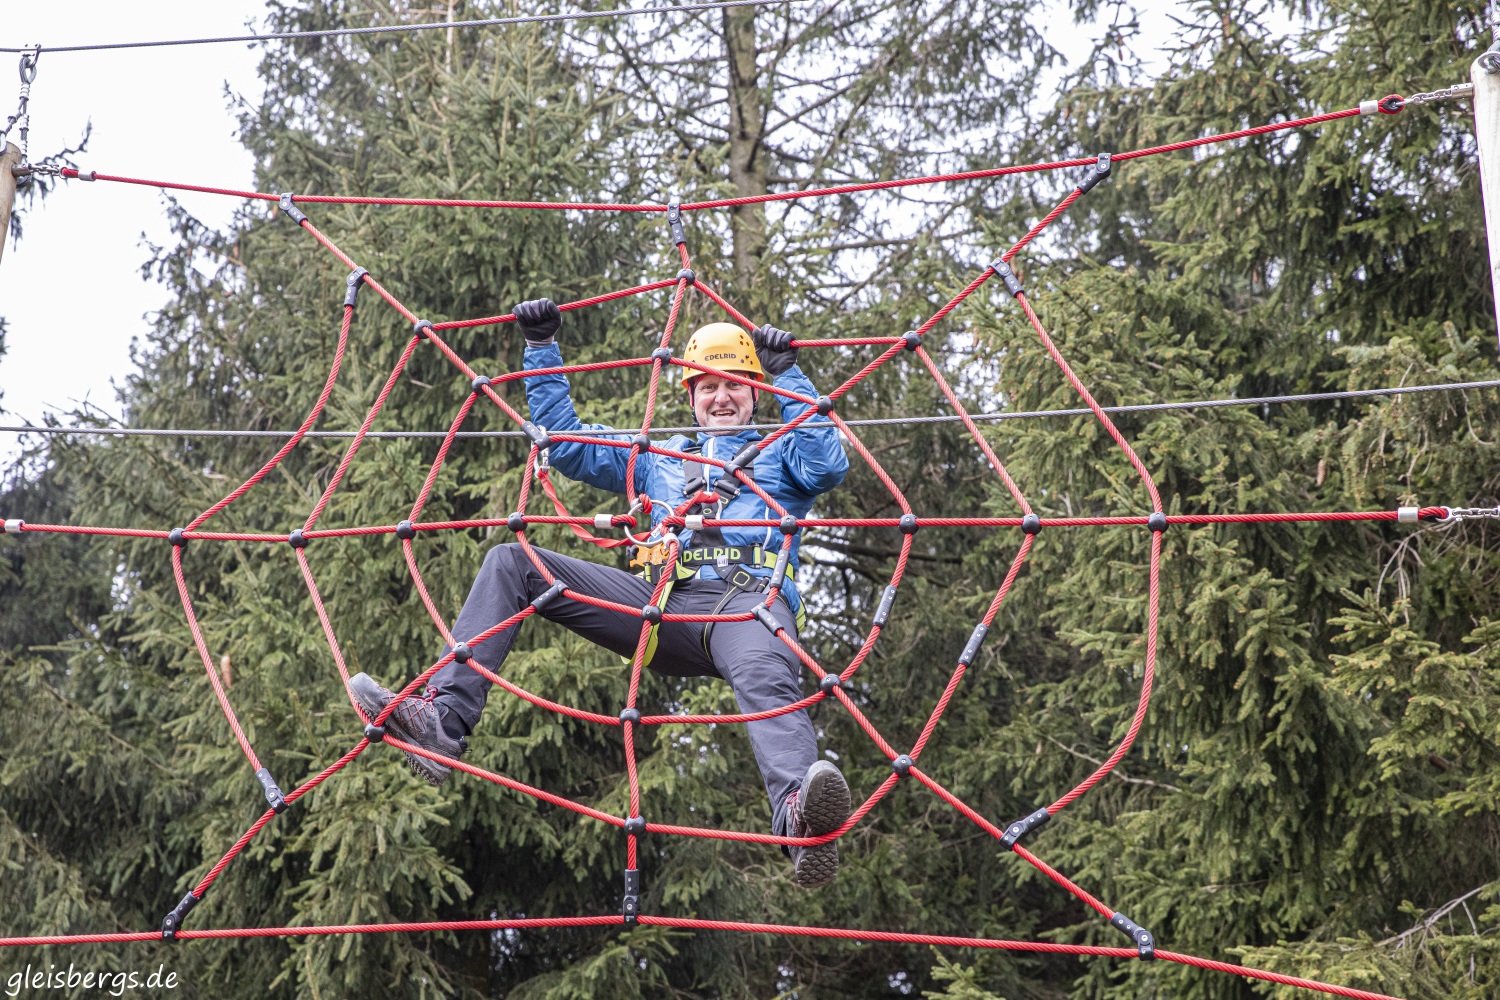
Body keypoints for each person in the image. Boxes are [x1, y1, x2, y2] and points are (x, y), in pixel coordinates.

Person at [351, 298, 853, 887]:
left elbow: (827, 464)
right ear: (690, 396)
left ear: (755, 392)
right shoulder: (661, 461)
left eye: (736, 385)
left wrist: (789, 373)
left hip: (752, 607)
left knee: (769, 679)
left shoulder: (786, 452)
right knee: (515, 561)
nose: (722, 397)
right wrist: (542, 348)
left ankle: (798, 821)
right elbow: (564, 443)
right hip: (666, 606)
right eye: (708, 386)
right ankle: (443, 723)